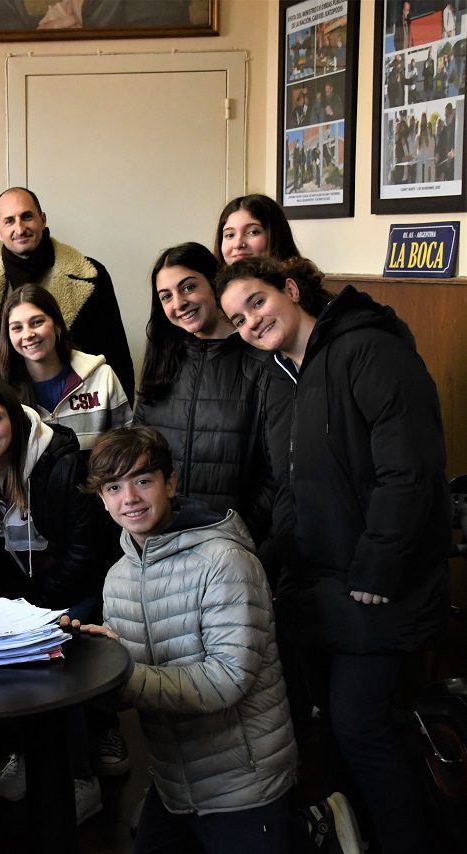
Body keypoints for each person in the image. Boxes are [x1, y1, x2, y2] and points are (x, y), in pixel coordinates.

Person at [216, 256, 449, 854]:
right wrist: (271, 565)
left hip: (378, 584)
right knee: (332, 732)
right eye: (238, 320)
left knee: (360, 728)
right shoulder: (279, 375)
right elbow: (292, 487)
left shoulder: (369, 349)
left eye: (258, 304)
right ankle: (358, 837)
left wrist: (378, 566)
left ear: (290, 289)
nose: (250, 323)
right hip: (318, 587)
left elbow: (411, 471)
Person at [70, 426, 316, 854]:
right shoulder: (118, 577)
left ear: (171, 483)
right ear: (102, 498)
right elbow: (126, 689)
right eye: (114, 487)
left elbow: (228, 679)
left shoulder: (224, 561)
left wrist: (119, 674)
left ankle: (315, 830)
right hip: (172, 786)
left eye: (143, 481)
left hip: (244, 785)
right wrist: (92, 660)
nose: (129, 498)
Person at [0, 374, 120, 826]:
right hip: (24, 596)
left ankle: (80, 779)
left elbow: (86, 553)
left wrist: (35, 613)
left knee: (54, 656)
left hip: (76, 588)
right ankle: (25, 750)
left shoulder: (61, 462)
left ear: (16, 418)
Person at [135, 244, 276, 546]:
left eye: (188, 287)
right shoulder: (162, 359)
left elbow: (274, 474)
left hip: (233, 544)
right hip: (162, 540)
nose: (179, 303)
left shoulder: (260, 361)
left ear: (214, 283)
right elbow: (140, 448)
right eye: (166, 296)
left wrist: (237, 534)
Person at [0, 187, 134, 400]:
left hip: (87, 408)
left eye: (27, 216)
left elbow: (117, 354)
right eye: (9, 221)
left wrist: (121, 423)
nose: (20, 228)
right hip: (20, 416)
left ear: (42, 219)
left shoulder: (91, 276)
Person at [0, 284, 130, 452]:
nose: (28, 334)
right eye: (17, 328)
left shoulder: (102, 376)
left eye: (37, 322)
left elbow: (128, 448)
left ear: (57, 324)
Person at [213, 193, 302, 268]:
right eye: (230, 235)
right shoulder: (211, 285)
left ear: (277, 235)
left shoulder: (296, 286)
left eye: (253, 232)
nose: (238, 244)